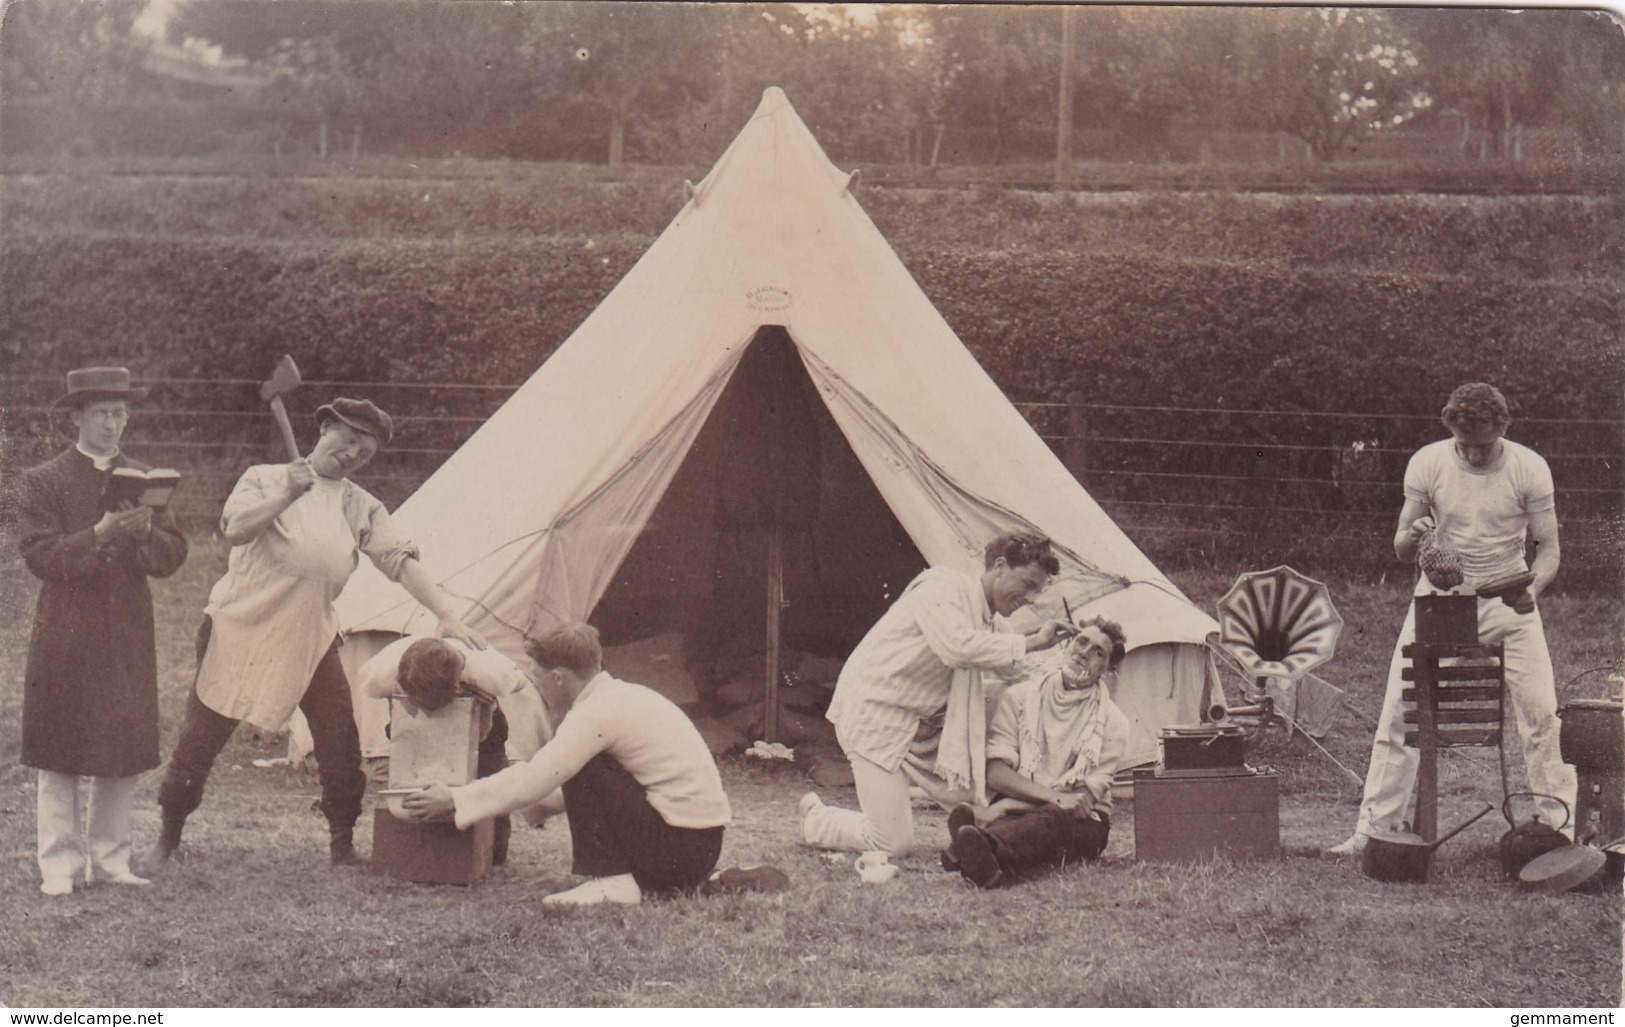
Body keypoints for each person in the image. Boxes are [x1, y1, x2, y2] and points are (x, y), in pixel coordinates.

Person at [150, 398, 485, 868]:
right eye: (347, 440)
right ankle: (167, 839)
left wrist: (446, 614)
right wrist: (286, 493)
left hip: (311, 634)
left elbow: (400, 562)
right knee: (199, 740)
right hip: (239, 627)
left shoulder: (358, 505)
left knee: (339, 741)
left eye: (364, 452)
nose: (352, 454)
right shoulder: (266, 477)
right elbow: (235, 529)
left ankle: (342, 845)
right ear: (324, 427)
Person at [1328, 382, 1576, 855]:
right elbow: (1402, 546)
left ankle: (1558, 828)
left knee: (1542, 714)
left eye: (1482, 446)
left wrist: (1532, 587)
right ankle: (1374, 832)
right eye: (1464, 445)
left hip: (1508, 599)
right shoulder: (1429, 461)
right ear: (1451, 431)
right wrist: (1415, 532)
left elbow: (1549, 549)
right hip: (1440, 601)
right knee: (1400, 713)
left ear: (1502, 429)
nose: (1473, 455)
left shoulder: (1529, 467)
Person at [401, 621, 733, 906]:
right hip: (699, 847)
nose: (537, 687)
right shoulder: (623, 696)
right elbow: (624, 787)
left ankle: (612, 880)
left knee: (582, 761)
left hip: (679, 851)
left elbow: (537, 776)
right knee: (583, 760)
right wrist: (544, 805)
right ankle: (642, 878)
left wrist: (456, 798)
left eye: (538, 678)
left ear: (559, 678)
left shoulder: (593, 715)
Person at [17, 367, 189, 896]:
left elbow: (173, 554)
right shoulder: (42, 480)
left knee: (122, 742)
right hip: (66, 628)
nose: (113, 425)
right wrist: (100, 533)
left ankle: (111, 858)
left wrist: (141, 537)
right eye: (101, 415)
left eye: (120, 414)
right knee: (59, 745)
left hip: (125, 627)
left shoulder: (143, 477)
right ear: (76, 417)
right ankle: (59, 865)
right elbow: (39, 555)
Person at [800, 531, 1074, 857]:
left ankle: (979, 815)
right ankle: (815, 820)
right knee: (892, 843)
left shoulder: (990, 622)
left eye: (1035, 591)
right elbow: (957, 647)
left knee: (1000, 701)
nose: (1029, 598)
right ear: (1000, 565)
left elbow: (1018, 670)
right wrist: (1031, 642)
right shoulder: (942, 587)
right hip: (871, 713)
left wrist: (1078, 661)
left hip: (916, 726)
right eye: (1027, 585)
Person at [946, 618, 1133, 889]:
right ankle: (986, 864)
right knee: (1032, 823)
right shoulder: (1020, 697)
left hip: (1081, 823)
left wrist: (1007, 804)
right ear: (1068, 645)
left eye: (1098, 653)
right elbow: (997, 774)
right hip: (1026, 807)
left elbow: (1078, 803)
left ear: (1107, 669)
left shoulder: (1114, 723)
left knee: (1053, 820)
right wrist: (1048, 796)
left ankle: (975, 844)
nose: (1085, 653)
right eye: (1081, 641)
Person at [359, 635, 550, 865]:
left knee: (491, 778)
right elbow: (372, 693)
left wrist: (477, 694)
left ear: (457, 683)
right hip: (413, 719)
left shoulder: (489, 671)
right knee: (420, 774)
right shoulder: (381, 674)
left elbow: (519, 683)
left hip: (482, 724)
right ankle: (427, 846)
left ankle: (491, 845)